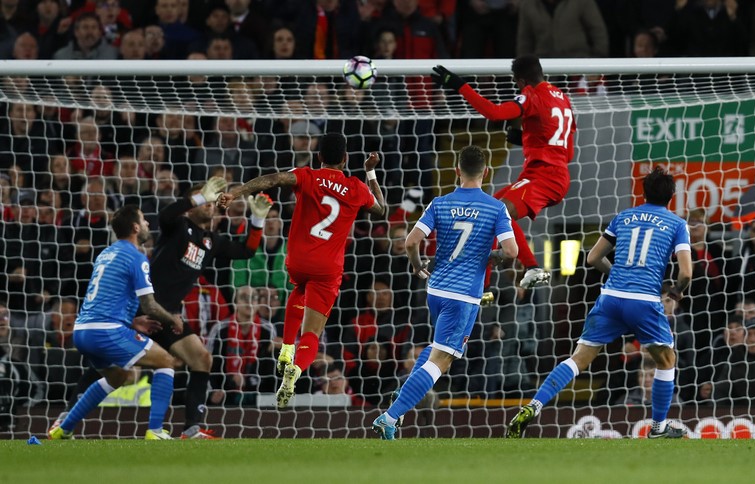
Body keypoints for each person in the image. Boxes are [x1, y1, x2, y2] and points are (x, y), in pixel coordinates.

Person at [52, 177, 271, 439]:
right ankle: (67, 415)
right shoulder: (177, 226)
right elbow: (167, 214)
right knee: (107, 366)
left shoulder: (213, 241)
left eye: (213, 200)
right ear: (192, 205)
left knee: (202, 358)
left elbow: (246, 252)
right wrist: (198, 196)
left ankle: (192, 428)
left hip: (168, 315)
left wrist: (257, 221)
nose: (211, 204)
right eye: (206, 199)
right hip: (142, 309)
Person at [506, 166, 693, 439]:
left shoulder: (623, 217)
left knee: (578, 358)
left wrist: (615, 274)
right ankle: (658, 427)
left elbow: (593, 258)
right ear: (671, 196)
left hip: (610, 297)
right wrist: (676, 290)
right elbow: (686, 272)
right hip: (643, 299)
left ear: (643, 192)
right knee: (666, 360)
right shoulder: (676, 224)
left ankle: (534, 405)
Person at [217, 132, 387, 408]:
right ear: (345, 160)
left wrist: (234, 193)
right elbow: (381, 210)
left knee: (298, 288)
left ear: (319, 157)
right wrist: (371, 173)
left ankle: (286, 347)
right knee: (312, 333)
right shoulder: (356, 187)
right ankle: (295, 368)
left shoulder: (307, 175)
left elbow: (271, 179)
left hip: (297, 259)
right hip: (327, 268)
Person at [371, 145, 518, 440]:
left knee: (438, 349)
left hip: (436, 288)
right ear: (486, 172)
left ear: (457, 171)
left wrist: (416, 267)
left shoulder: (440, 202)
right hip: (464, 295)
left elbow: (412, 242)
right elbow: (511, 251)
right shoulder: (495, 206)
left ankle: (408, 387)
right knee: (443, 360)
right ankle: (390, 417)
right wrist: (491, 256)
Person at [431, 55, 575, 290]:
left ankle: (531, 267)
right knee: (486, 212)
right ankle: (484, 288)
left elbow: (495, 113)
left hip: (544, 176)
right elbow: (566, 152)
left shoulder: (531, 95)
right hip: (555, 175)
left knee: (499, 211)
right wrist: (526, 139)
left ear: (520, 82)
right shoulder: (563, 99)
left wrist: (459, 85)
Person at [48, 205, 182, 440]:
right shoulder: (136, 257)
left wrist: (131, 321)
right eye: (144, 219)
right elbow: (150, 305)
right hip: (106, 331)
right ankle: (155, 430)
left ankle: (64, 428)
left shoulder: (106, 254)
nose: (149, 224)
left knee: (117, 377)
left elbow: (106, 298)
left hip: (82, 331)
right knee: (166, 361)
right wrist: (173, 319)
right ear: (135, 227)